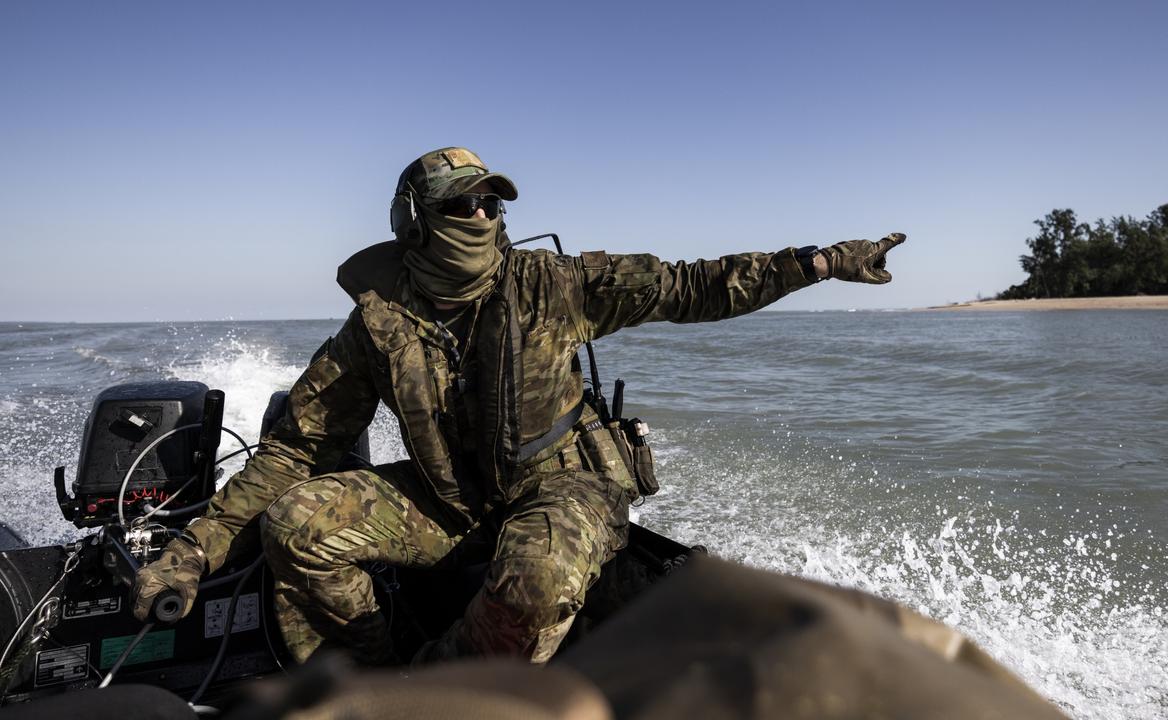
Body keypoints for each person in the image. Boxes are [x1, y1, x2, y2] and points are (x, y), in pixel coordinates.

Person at [129, 146, 907, 665]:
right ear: (415, 220)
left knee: (534, 581)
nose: (482, 218)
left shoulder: (550, 284)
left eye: (491, 205)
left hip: (562, 485)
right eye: (462, 205)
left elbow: (692, 285)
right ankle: (385, 662)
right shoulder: (380, 322)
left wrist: (820, 262)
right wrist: (194, 551)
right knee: (296, 523)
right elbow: (296, 446)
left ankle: (446, 692)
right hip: (453, 498)